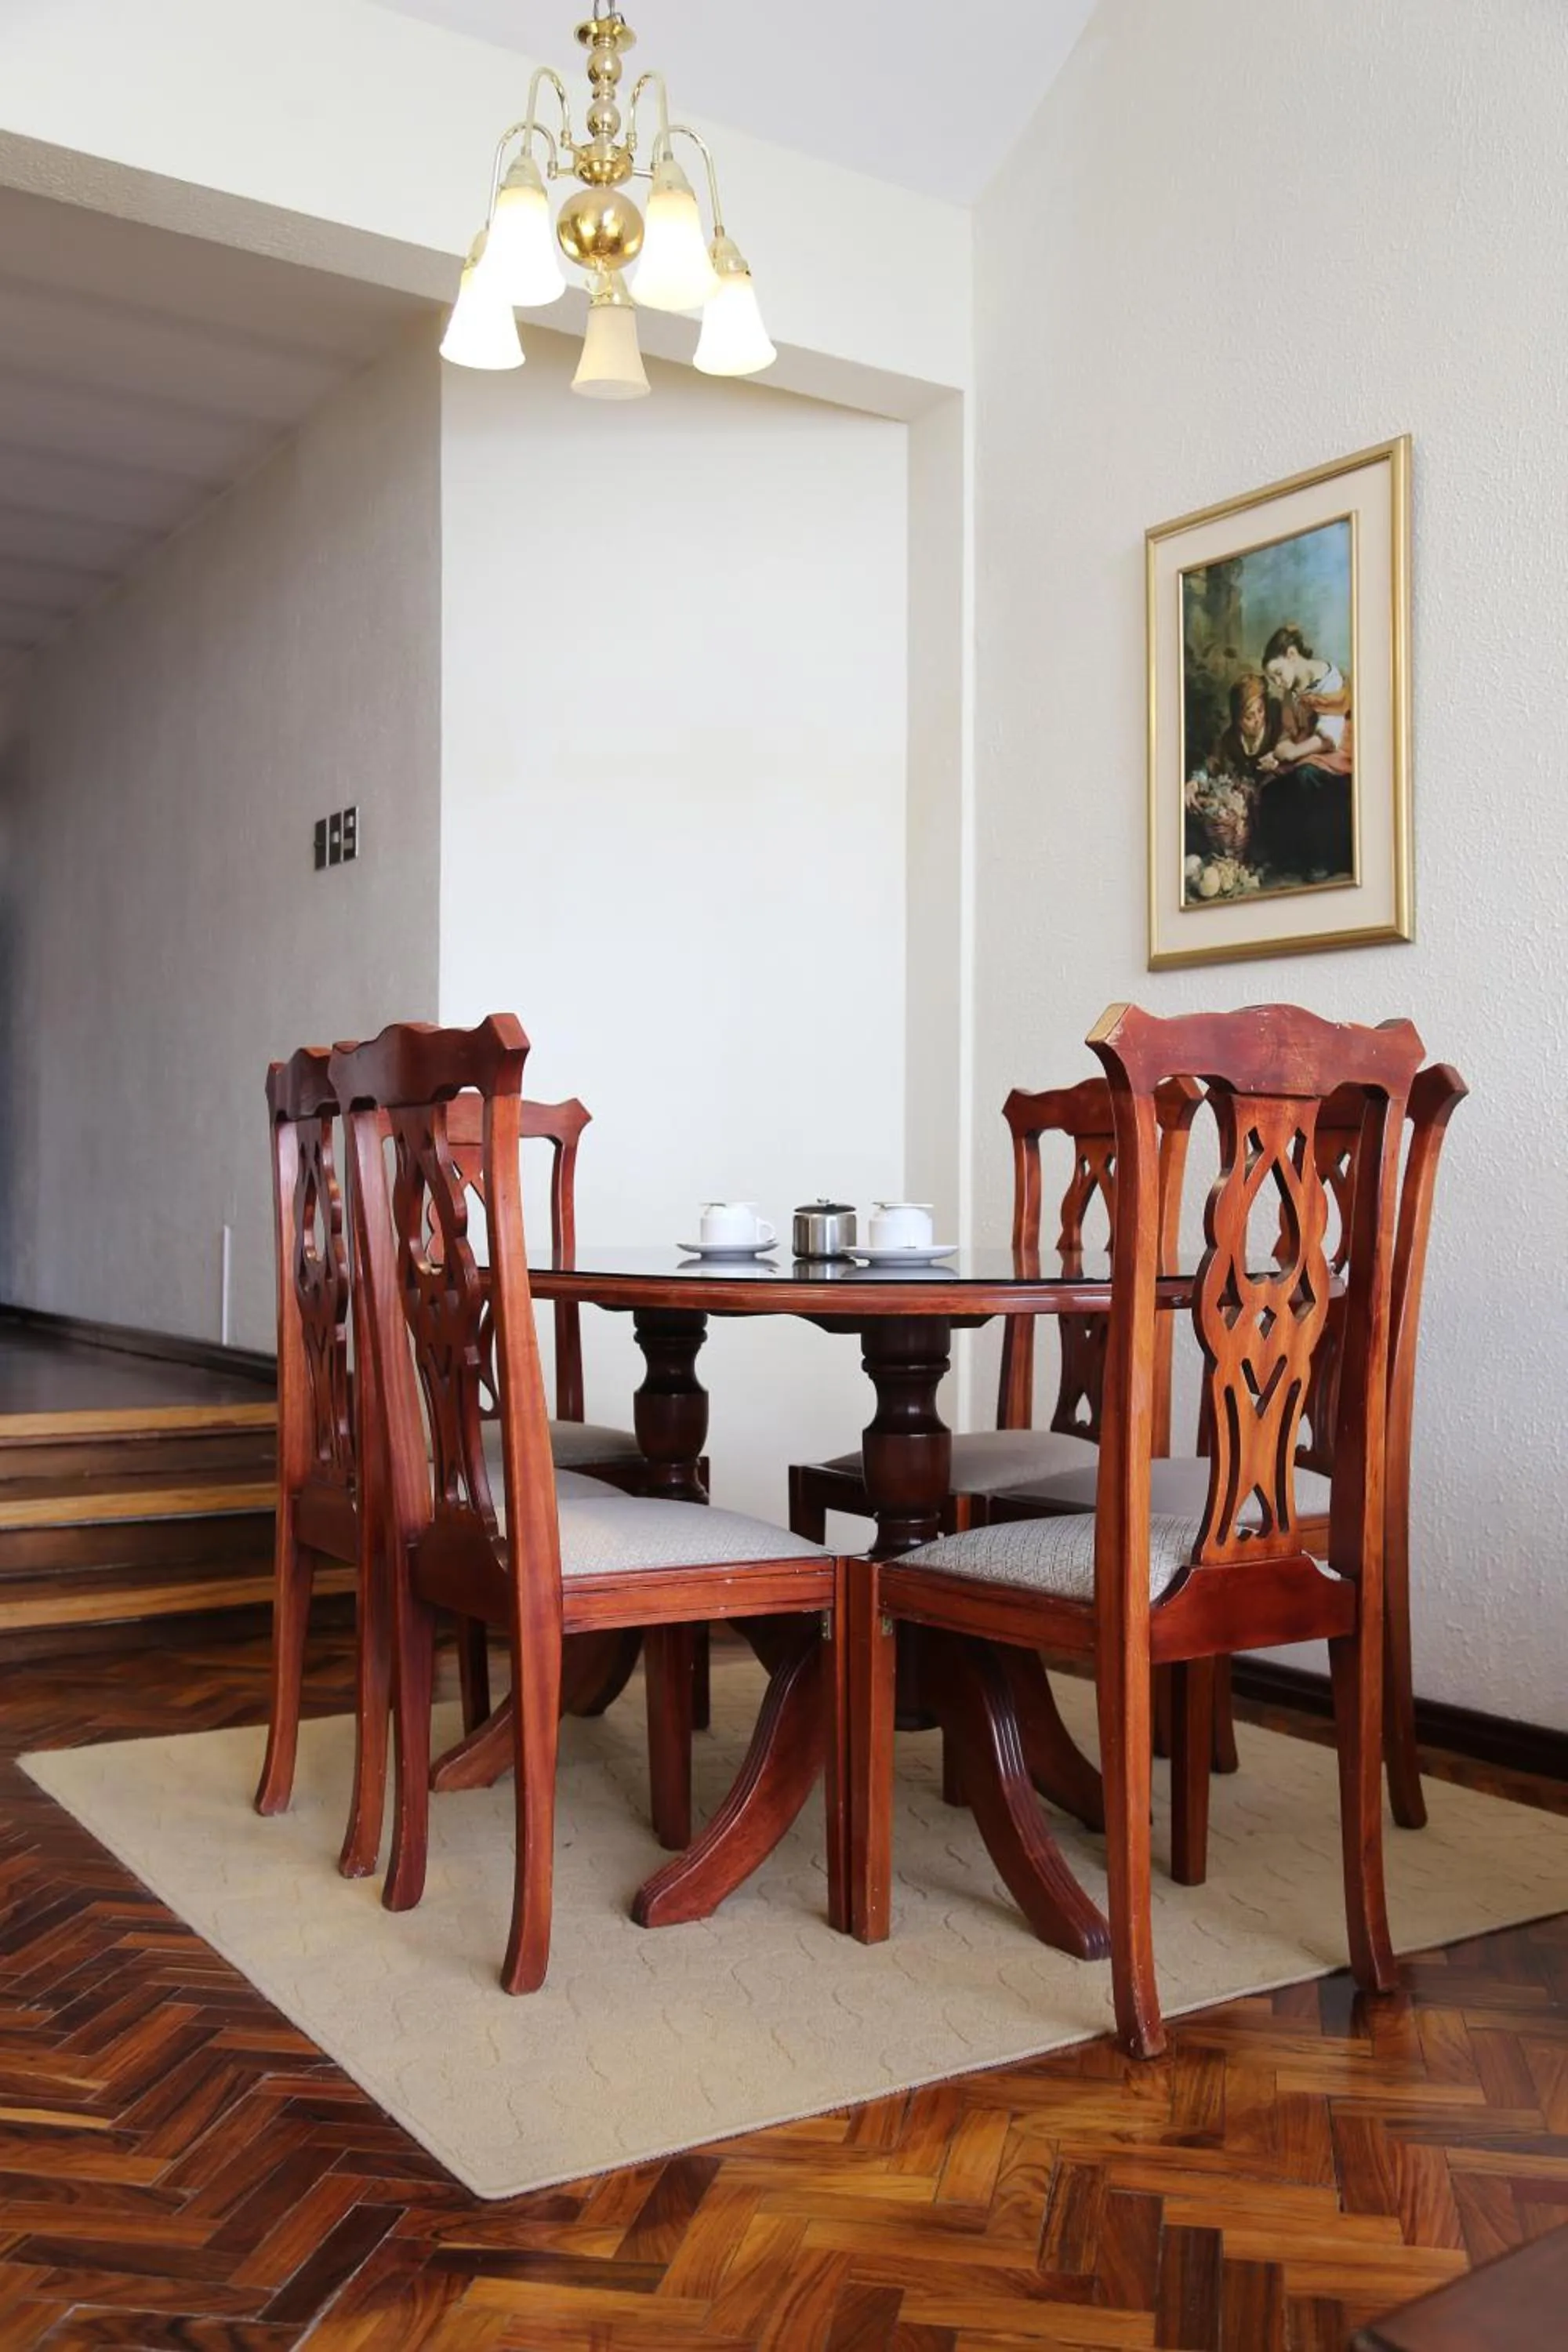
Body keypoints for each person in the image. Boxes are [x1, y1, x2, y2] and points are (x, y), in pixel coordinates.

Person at [1252, 624, 1354, 880]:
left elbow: (1328, 739)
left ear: (1292, 655)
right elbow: (1288, 733)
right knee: (1271, 787)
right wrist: (1279, 752)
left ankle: (1324, 859)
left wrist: (1292, 753)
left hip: (1337, 754)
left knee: (1307, 775)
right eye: (1273, 679)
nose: (1278, 682)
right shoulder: (1292, 692)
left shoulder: (1329, 680)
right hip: (1307, 751)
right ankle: (1285, 858)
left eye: (1278, 674)